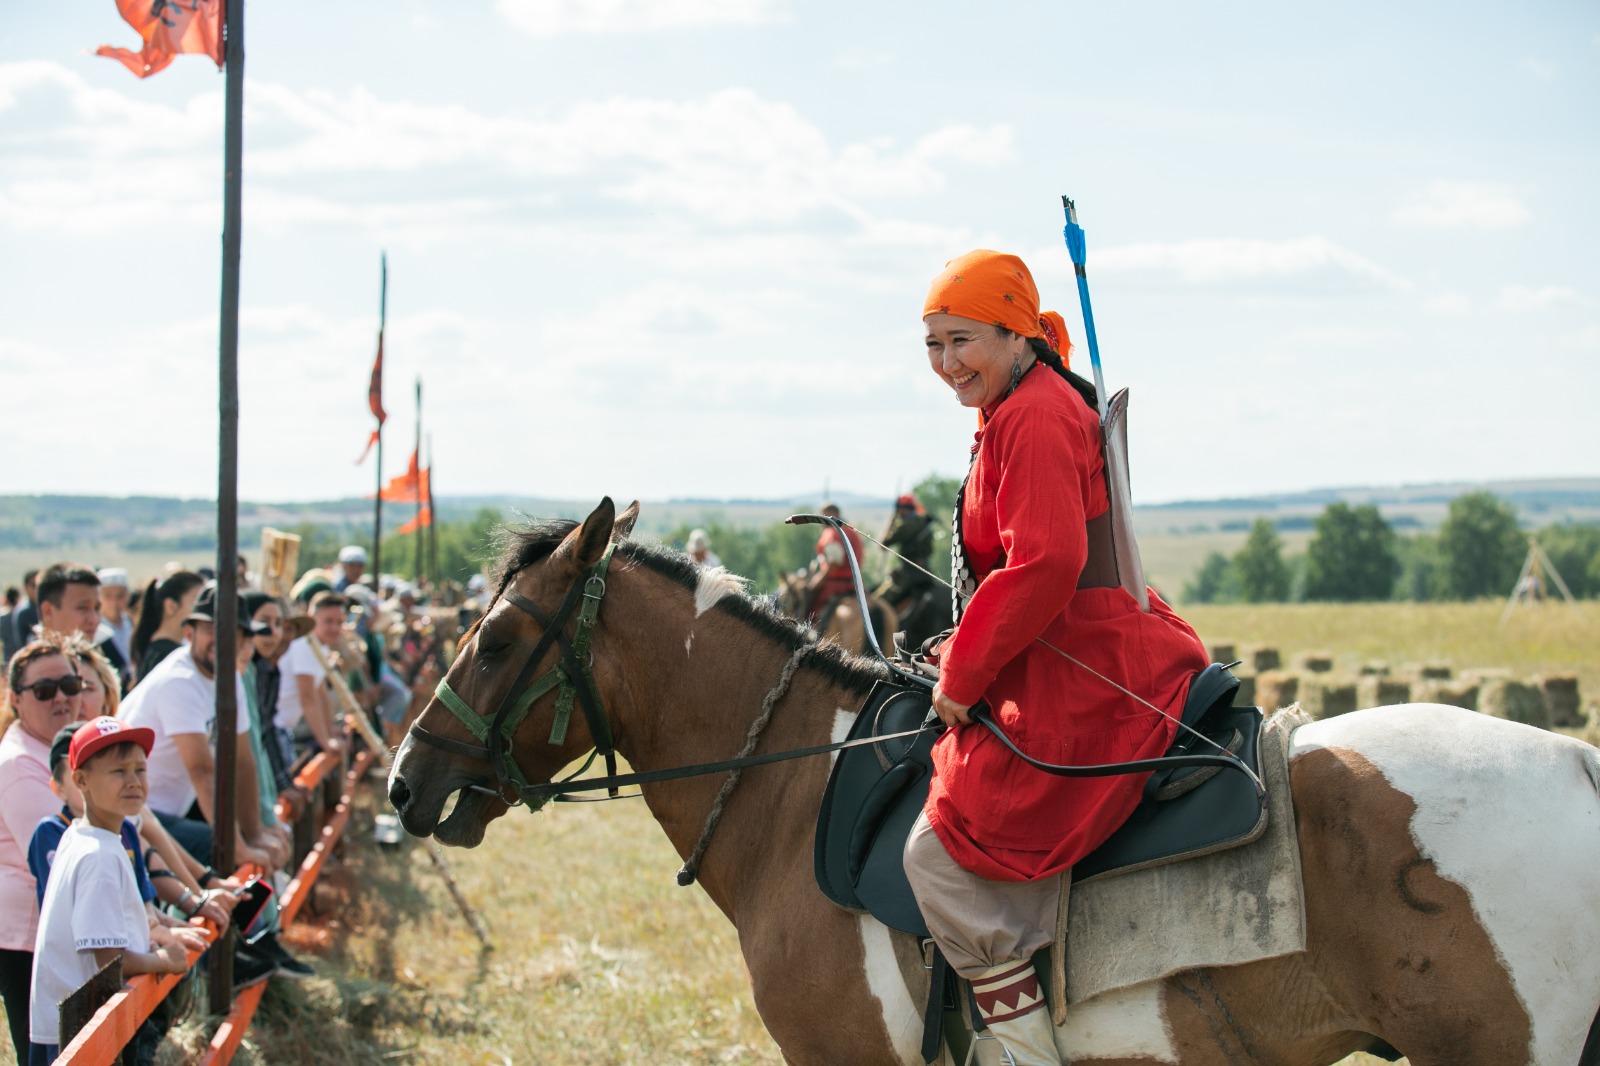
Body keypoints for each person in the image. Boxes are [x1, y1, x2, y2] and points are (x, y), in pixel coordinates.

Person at [902, 249, 1207, 1064]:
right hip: (1062, 645)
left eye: (962, 340)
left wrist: (963, 677)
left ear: (1013, 332)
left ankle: (1025, 1054)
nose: (947, 363)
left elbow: (1043, 565)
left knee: (934, 855)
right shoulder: (1015, 403)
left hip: (1085, 668)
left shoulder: (1035, 415)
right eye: (932, 345)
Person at [28, 717, 205, 1063]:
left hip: (70, 1023)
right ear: (81, 780)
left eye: (140, 770)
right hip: (80, 1032)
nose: (134, 782)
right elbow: (109, 960)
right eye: (118, 771)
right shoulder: (99, 857)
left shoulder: (82, 835)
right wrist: (163, 960)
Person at [118, 585, 276, 870]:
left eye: (231, 632)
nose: (220, 639)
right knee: (218, 853)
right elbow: (201, 771)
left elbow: (242, 761)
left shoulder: (229, 678)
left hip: (165, 811)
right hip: (131, 814)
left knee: (226, 851)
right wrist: (240, 849)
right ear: (189, 633)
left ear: (243, 641)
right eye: (211, 630)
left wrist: (256, 834)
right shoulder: (179, 680)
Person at [0, 637, 83, 1063]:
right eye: (44, 691)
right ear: (15, 699)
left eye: (70, 685)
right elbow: (60, 860)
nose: (62, 699)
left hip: (59, 932)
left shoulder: (60, 749)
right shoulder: (18, 764)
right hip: (30, 940)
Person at [129, 571, 206, 680]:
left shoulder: (158, 650)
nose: (204, 613)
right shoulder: (168, 657)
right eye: (197, 602)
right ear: (171, 606)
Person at [804, 503, 865, 618]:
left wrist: (818, 580)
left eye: (823, 515)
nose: (820, 518)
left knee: (809, 610)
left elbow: (835, 562)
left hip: (835, 585)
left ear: (833, 514)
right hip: (855, 584)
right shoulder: (852, 531)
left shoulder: (832, 533)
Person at [96, 569, 135, 681]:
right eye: (108, 596)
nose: (114, 602)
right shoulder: (96, 630)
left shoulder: (132, 624)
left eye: (120, 596)